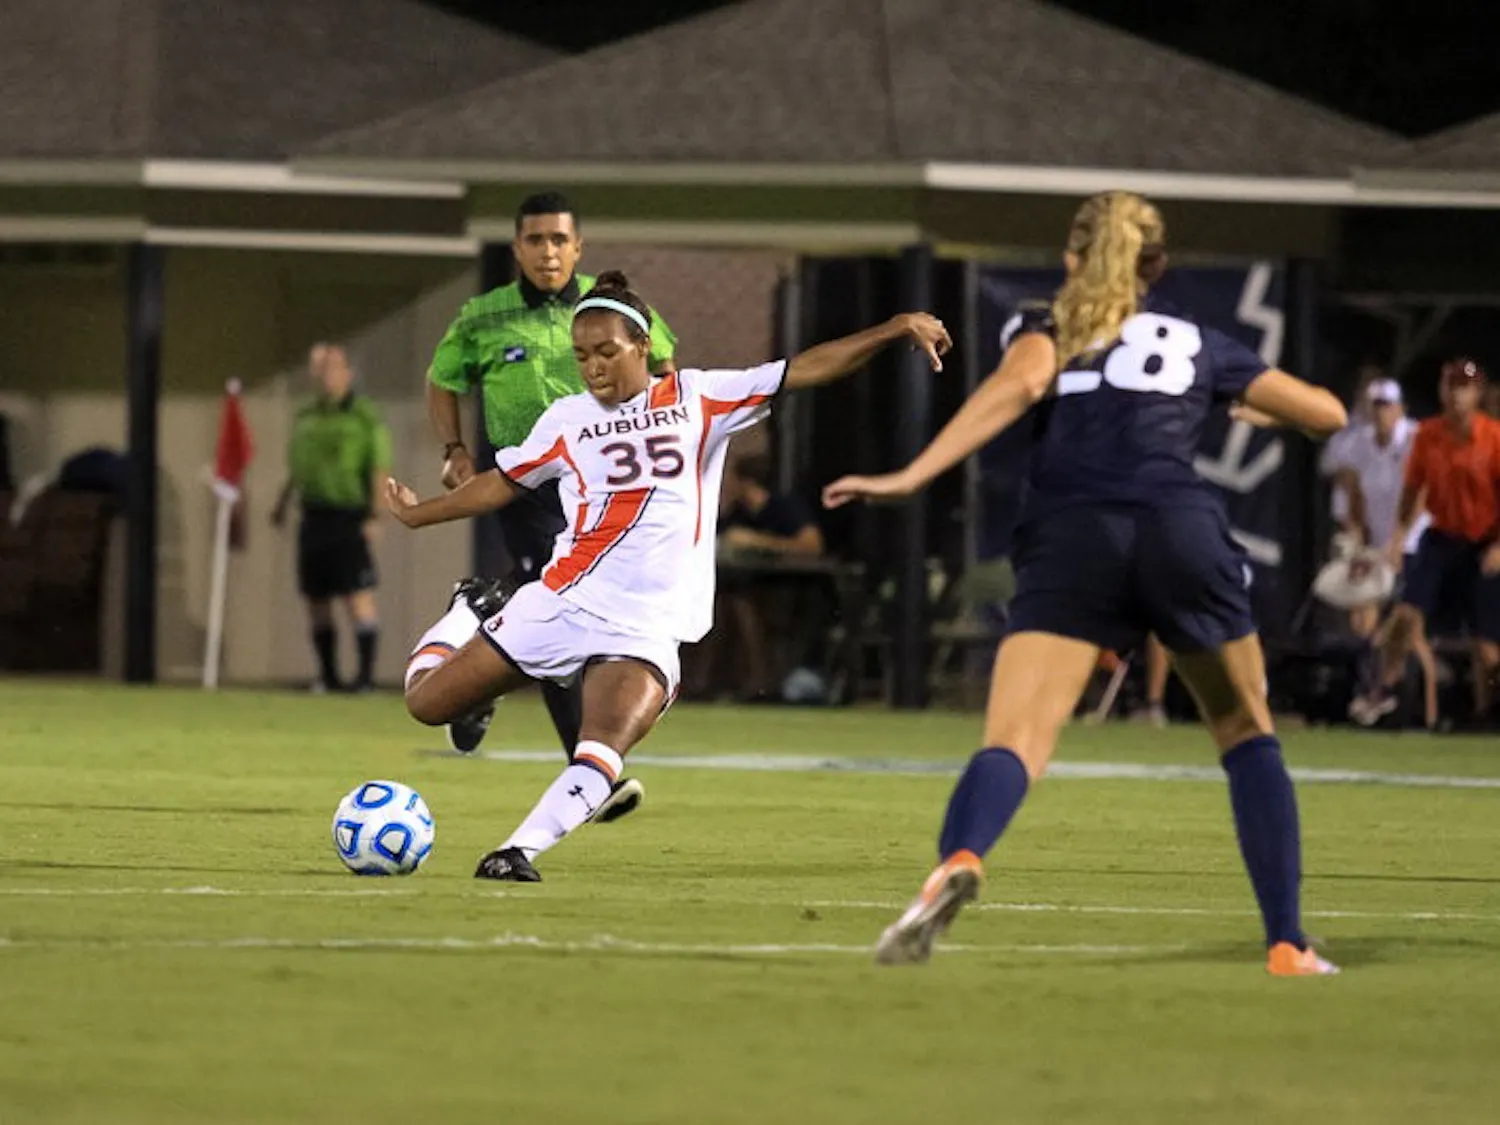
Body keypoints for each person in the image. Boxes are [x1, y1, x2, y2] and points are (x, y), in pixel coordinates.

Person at [824, 191, 1347, 976]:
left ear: (1068, 261)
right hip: (1180, 531)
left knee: (1016, 740)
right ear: (1158, 267)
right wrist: (1262, 410)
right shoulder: (1199, 342)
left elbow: (1017, 388)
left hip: (1073, 536)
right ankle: (1285, 941)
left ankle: (959, 856)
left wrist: (912, 474)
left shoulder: (1047, 329)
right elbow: (1328, 413)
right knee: (1246, 732)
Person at [389, 272, 950, 881]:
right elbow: (501, 483)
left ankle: (516, 852)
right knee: (426, 703)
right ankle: (468, 607)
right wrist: (420, 516)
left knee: (601, 747)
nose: (593, 368)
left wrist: (895, 328)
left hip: (646, 626)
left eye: (607, 352)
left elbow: (804, 369)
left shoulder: (699, 398)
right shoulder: (566, 420)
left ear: (643, 346)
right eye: (581, 356)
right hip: (562, 601)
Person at [424, 192, 678, 806]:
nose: (548, 252)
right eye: (536, 240)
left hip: (604, 485)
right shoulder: (483, 315)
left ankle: (481, 632)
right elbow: (442, 380)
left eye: (559, 240)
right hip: (526, 484)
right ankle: (591, 774)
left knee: (564, 603)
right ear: (517, 248)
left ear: (578, 247)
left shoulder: (609, 309)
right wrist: (455, 449)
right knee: (563, 598)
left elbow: (667, 368)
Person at [1353, 358, 1500, 727]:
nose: (1456, 395)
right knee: (1405, 613)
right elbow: (1413, 491)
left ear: (1477, 392)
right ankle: (1384, 688)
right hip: (1442, 537)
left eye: (1464, 387)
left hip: (1485, 541)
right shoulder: (1429, 436)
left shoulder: (1493, 438)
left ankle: (1487, 713)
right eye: (1450, 386)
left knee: (1485, 645)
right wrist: (1398, 538)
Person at [272, 344, 392, 693]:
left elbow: (378, 466)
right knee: (316, 599)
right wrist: (282, 503)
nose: (325, 375)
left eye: (332, 368)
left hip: (349, 515)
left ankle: (365, 678)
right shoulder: (306, 415)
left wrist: (375, 514)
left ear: (347, 373)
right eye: (320, 368)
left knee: (358, 595)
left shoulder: (363, 416)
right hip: (314, 514)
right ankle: (328, 676)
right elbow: (299, 466)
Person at [692, 451, 825, 700]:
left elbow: (812, 546)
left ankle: (760, 684)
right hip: (746, 587)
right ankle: (704, 683)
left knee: (742, 606)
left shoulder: (783, 508)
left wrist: (757, 541)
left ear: (746, 482)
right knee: (721, 603)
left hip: (792, 589)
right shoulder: (735, 514)